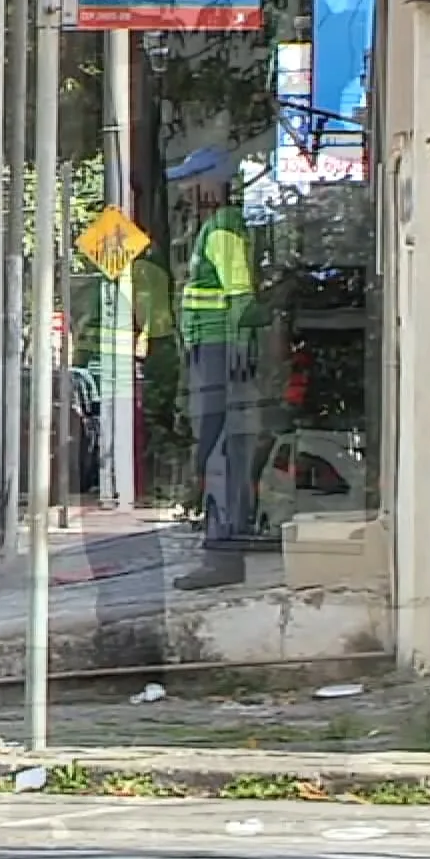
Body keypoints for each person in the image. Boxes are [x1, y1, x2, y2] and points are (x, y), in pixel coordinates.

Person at [175, 191, 263, 590]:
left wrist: (239, 341)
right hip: (215, 346)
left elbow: (239, 290)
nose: (182, 193)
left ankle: (222, 551)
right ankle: (224, 543)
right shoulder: (217, 227)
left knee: (215, 450)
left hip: (218, 349)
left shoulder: (221, 227)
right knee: (222, 448)